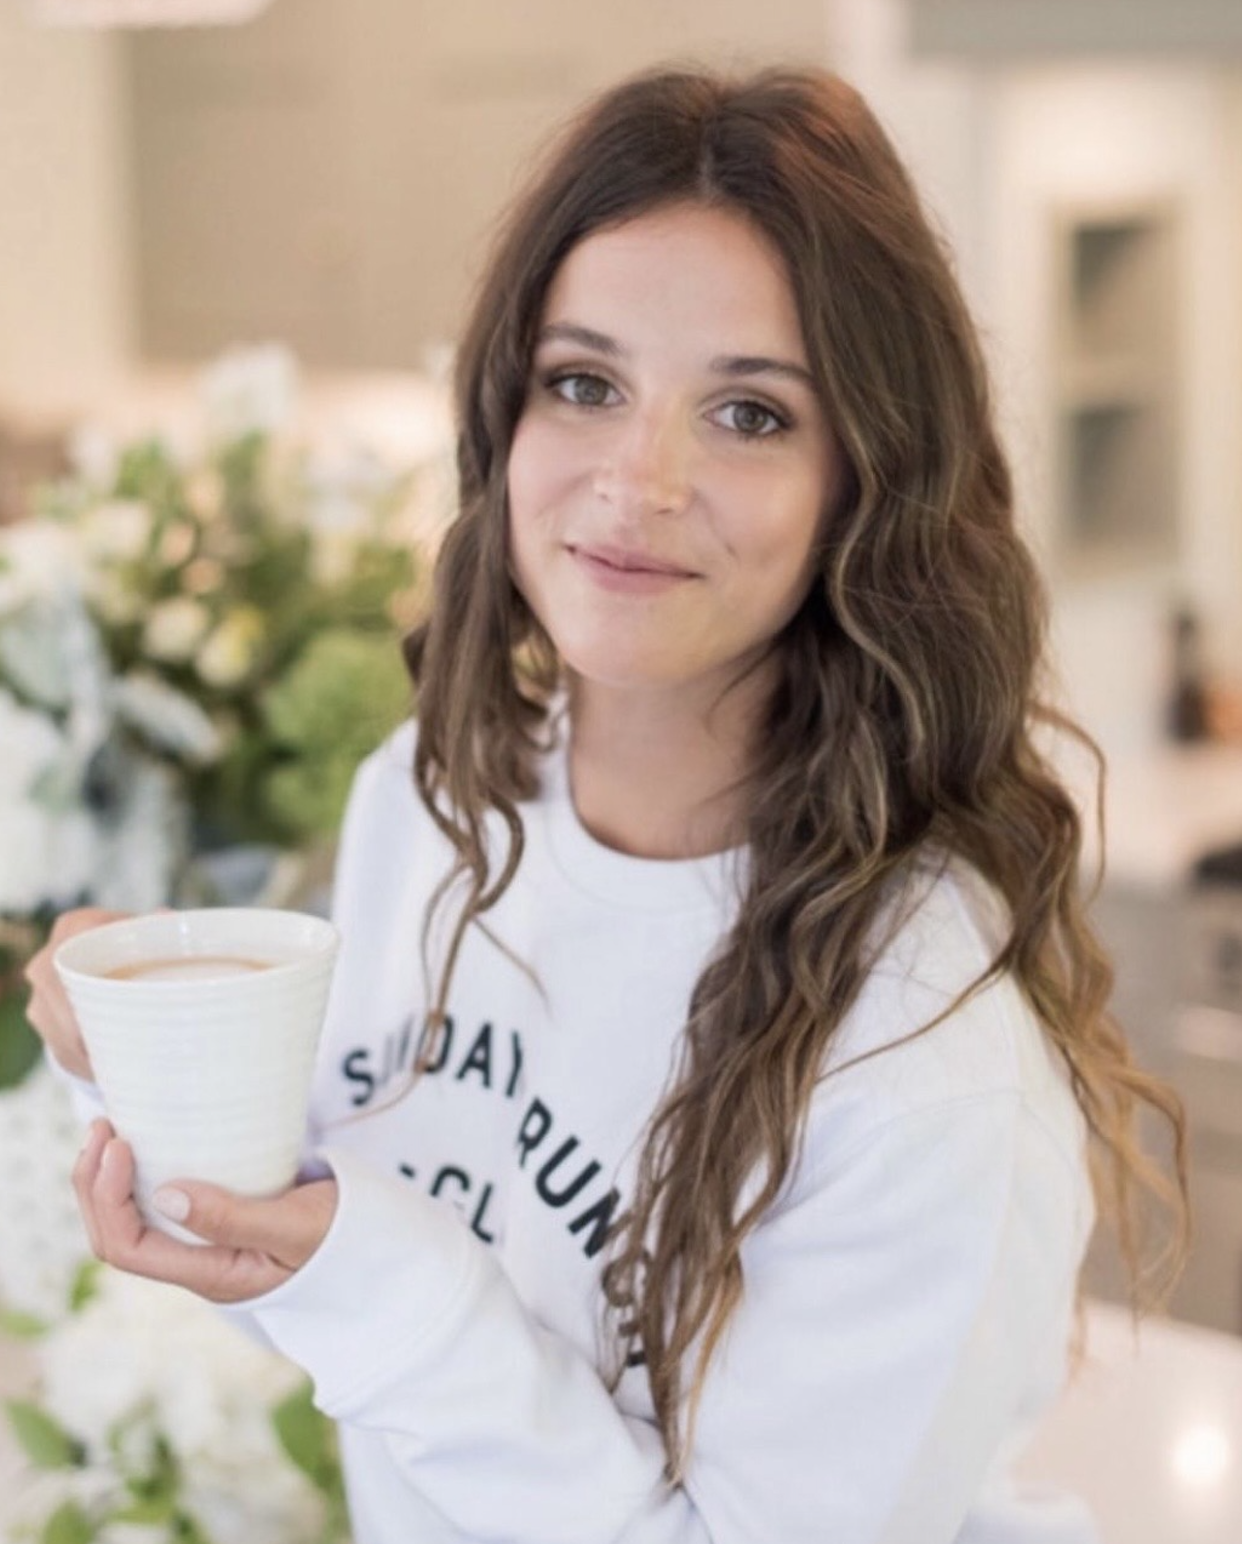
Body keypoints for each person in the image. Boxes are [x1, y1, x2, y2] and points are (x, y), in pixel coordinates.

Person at [26, 64, 1188, 1544]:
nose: (636, 480)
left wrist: (390, 1288)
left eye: (750, 415)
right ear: (505, 416)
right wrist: (139, 1063)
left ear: (864, 483)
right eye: (584, 384)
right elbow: (346, 1323)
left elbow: (401, 1317)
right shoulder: (435, 809)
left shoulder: (918, 1041)